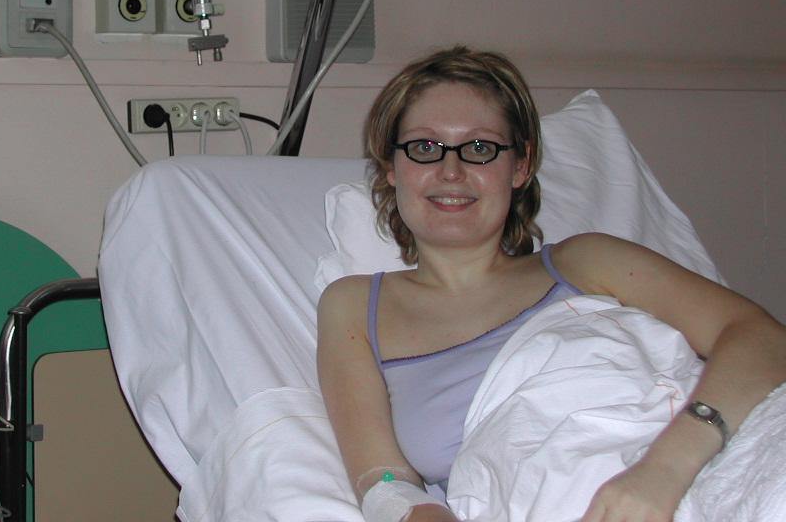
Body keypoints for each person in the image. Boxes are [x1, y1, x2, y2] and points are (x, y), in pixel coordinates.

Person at [316, 45, 786, 522]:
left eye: (479, 148)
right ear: (391, 166)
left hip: (703, 469)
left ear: (520, 166)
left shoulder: (589, 262)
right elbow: (384, 480)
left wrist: (664, 471)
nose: (451, 171)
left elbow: (762, 338)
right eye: (424, 148)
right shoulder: (356, 305)